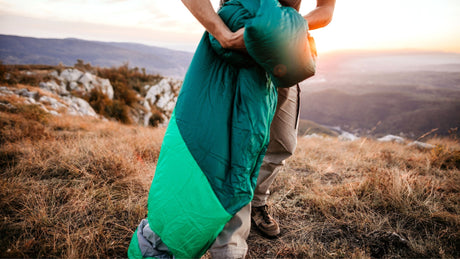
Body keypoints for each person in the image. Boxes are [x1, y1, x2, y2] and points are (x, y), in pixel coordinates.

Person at [182, 0, 336, 258]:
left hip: (283, 48)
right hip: (234, 48)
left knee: (283, 142)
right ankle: (229, 242)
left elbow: (326, 10)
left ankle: (257, 202)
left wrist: (283, 26)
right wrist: (225, 36)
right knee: (238, 149)